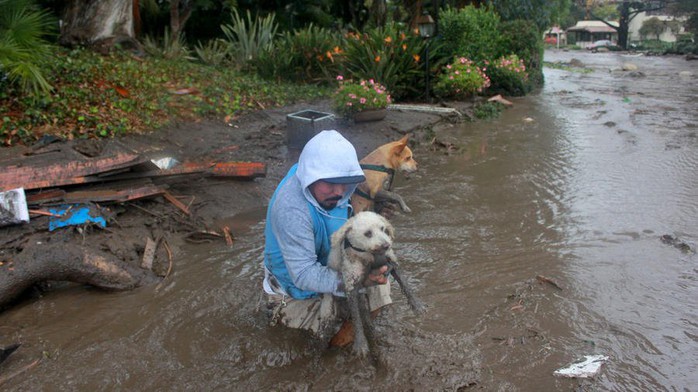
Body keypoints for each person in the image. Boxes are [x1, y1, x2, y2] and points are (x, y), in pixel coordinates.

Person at [262, 130, 392, 341]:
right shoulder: (291, 209)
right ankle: (336, 348)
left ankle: (351, 334)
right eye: (330, 184)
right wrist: (355, 281)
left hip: (329, 267)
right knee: (314, 344)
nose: (339, 192)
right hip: (295, 290)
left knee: (381, 285)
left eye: (344, 182)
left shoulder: (337, 190)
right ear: (310, 176)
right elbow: (303, 274)